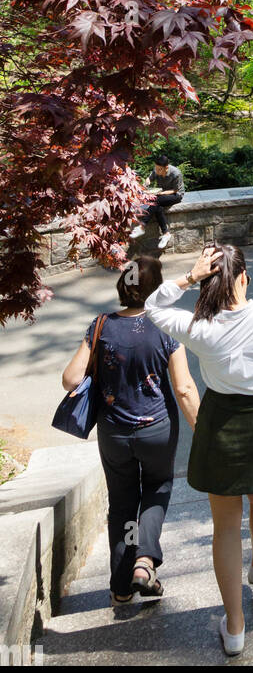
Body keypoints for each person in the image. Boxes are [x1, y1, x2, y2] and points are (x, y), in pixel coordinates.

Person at [144, 244, 253, 656]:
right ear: (244, 277)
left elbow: (152, 306)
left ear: (211, 282)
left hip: (220, 423)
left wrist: (188, 277)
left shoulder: (198, 327)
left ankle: (234, 628)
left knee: (224, 526)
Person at [60, 255, 199, 606]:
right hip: (157, 430)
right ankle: (144, 560)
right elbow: (183, 388)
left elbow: (71, 379)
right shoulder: (165, 327)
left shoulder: (101, 325)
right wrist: (202, 427)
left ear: (124, 283)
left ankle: (121, 587)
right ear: (156, 288)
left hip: (115, 433)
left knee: (122, 504)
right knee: (157, 487)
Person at [131, 153, 185, 250]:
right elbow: (150, 178)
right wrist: (147, 181)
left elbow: (175, 190)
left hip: (176, 195)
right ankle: (166, 233)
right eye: (156, 168)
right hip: (162, 195)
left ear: (166, 167)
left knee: (156, 200)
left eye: (159, 169)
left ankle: (142, 226)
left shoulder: (176, 173)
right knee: (158, 206)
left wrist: (161, 194)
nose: (156, 170)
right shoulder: (157, 169)